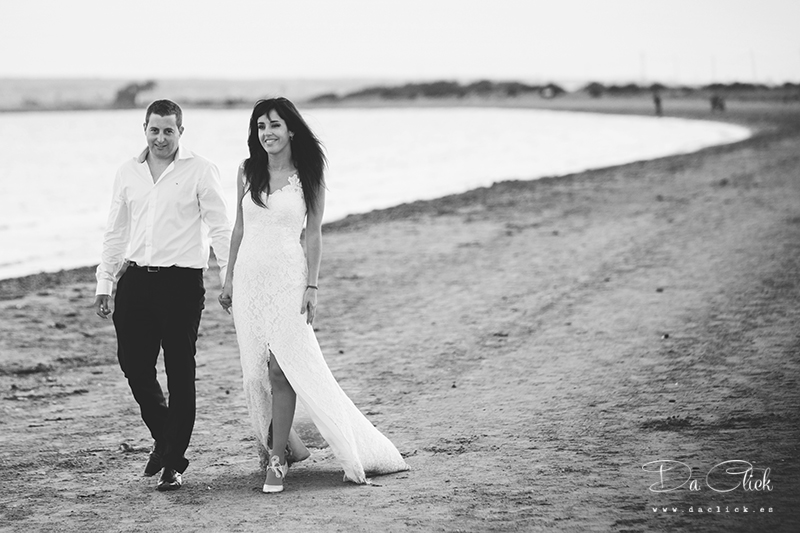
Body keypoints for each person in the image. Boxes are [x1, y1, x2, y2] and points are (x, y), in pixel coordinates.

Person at [218, 97, 408, 493]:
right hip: (250, 279)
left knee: (281, 368)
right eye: (260, 127)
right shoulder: (246, 170)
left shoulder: (309, 174)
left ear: (290, 129)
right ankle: (286, 445)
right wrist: (229, 279)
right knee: (254, 376)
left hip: (289, 279)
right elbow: (239, 229)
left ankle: (276, 462)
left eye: (273, 125)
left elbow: (315, 233)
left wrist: (312, 286)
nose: (266, 133)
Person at [93, 99, 232, 491]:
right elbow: (115, 232)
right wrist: (105, 283)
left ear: (180, 132)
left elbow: (220, 229)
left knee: (180, 371)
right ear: (145, 128)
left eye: (168, 130)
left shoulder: (201, 170)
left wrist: (229, 278)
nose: (160, 138)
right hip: (135, 282)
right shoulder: (128, 172)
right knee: (134, 366)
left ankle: (172, 462)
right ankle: (165, 439)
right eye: (154, 130)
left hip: (182, 286)